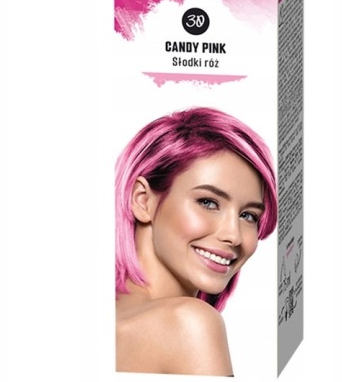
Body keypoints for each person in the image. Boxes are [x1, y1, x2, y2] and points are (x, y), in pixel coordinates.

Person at [115, 107, 277, 376]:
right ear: (143, 200)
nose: (234, 235)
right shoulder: (190, 323)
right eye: (208, 202)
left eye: (248, 215)